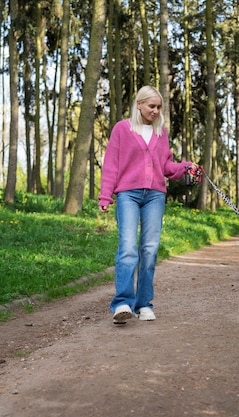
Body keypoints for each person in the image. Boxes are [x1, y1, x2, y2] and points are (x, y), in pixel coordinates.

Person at [98, 85, 200, 324]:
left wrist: (185, 167)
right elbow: (111, 164)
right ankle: (122, 303)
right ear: (139, 105)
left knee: (150, 249)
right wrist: (105, 195)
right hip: (128, 195)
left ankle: (144, 304)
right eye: (151, 106)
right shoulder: (122, 129)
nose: (155, 111)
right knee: (128, 247)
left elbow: (165, 167)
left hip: (154, 195)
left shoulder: (160, 133)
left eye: (158, 107)